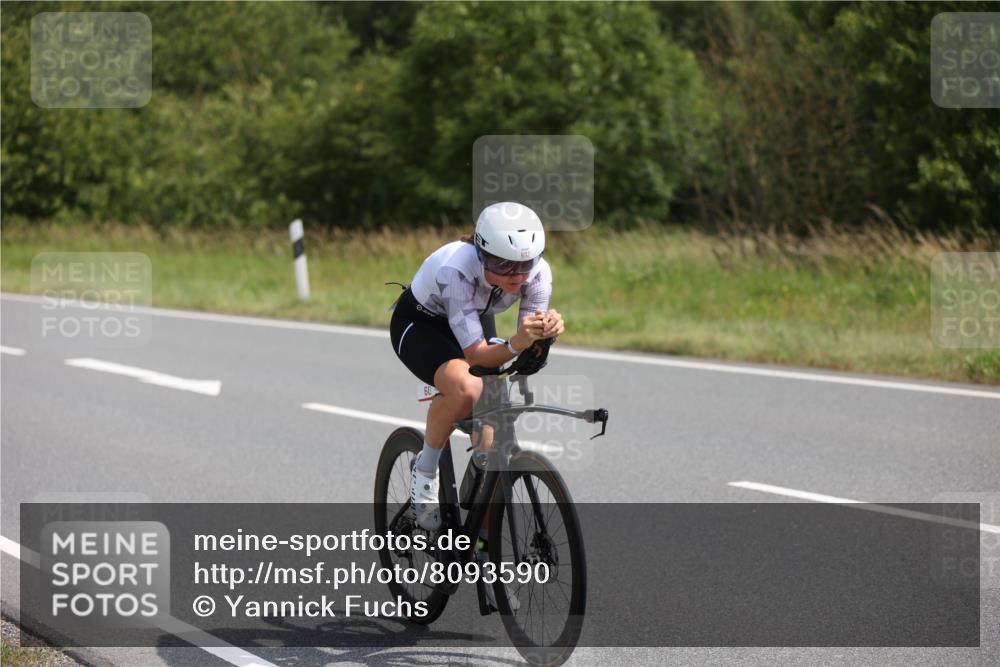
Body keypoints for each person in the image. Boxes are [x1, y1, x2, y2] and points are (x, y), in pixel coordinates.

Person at [388, 202, 564, 532]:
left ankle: (482, 544)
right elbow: (478, 356)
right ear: (481, 253)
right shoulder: (456, 269)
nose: (518, 275)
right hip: (422, 325)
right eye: (503, 265)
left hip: (473, 317)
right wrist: (516, 343)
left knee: (494, 419)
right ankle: (424, 473)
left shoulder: (539, 273)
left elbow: (525, 350)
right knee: (467, 387)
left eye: (525, 264)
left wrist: (543, 335)